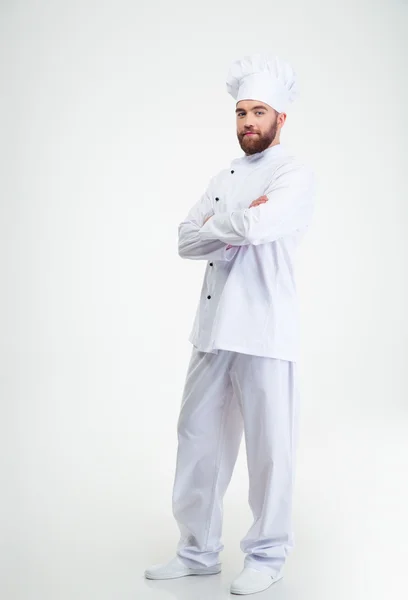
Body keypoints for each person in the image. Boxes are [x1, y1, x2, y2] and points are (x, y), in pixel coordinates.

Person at [144, 52, 316, 595]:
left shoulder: (294, 173)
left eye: (258, 112)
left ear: (280, 119)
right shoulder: (225, 176)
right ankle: (196, 551)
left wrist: (222, 225)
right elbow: (183, 240)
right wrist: (236, 222)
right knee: (196, 440)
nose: (247, 122)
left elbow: (263, 224)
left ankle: (267, 556)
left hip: (265, 329)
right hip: (213, 330)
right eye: (241, 113)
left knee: (270, 449)